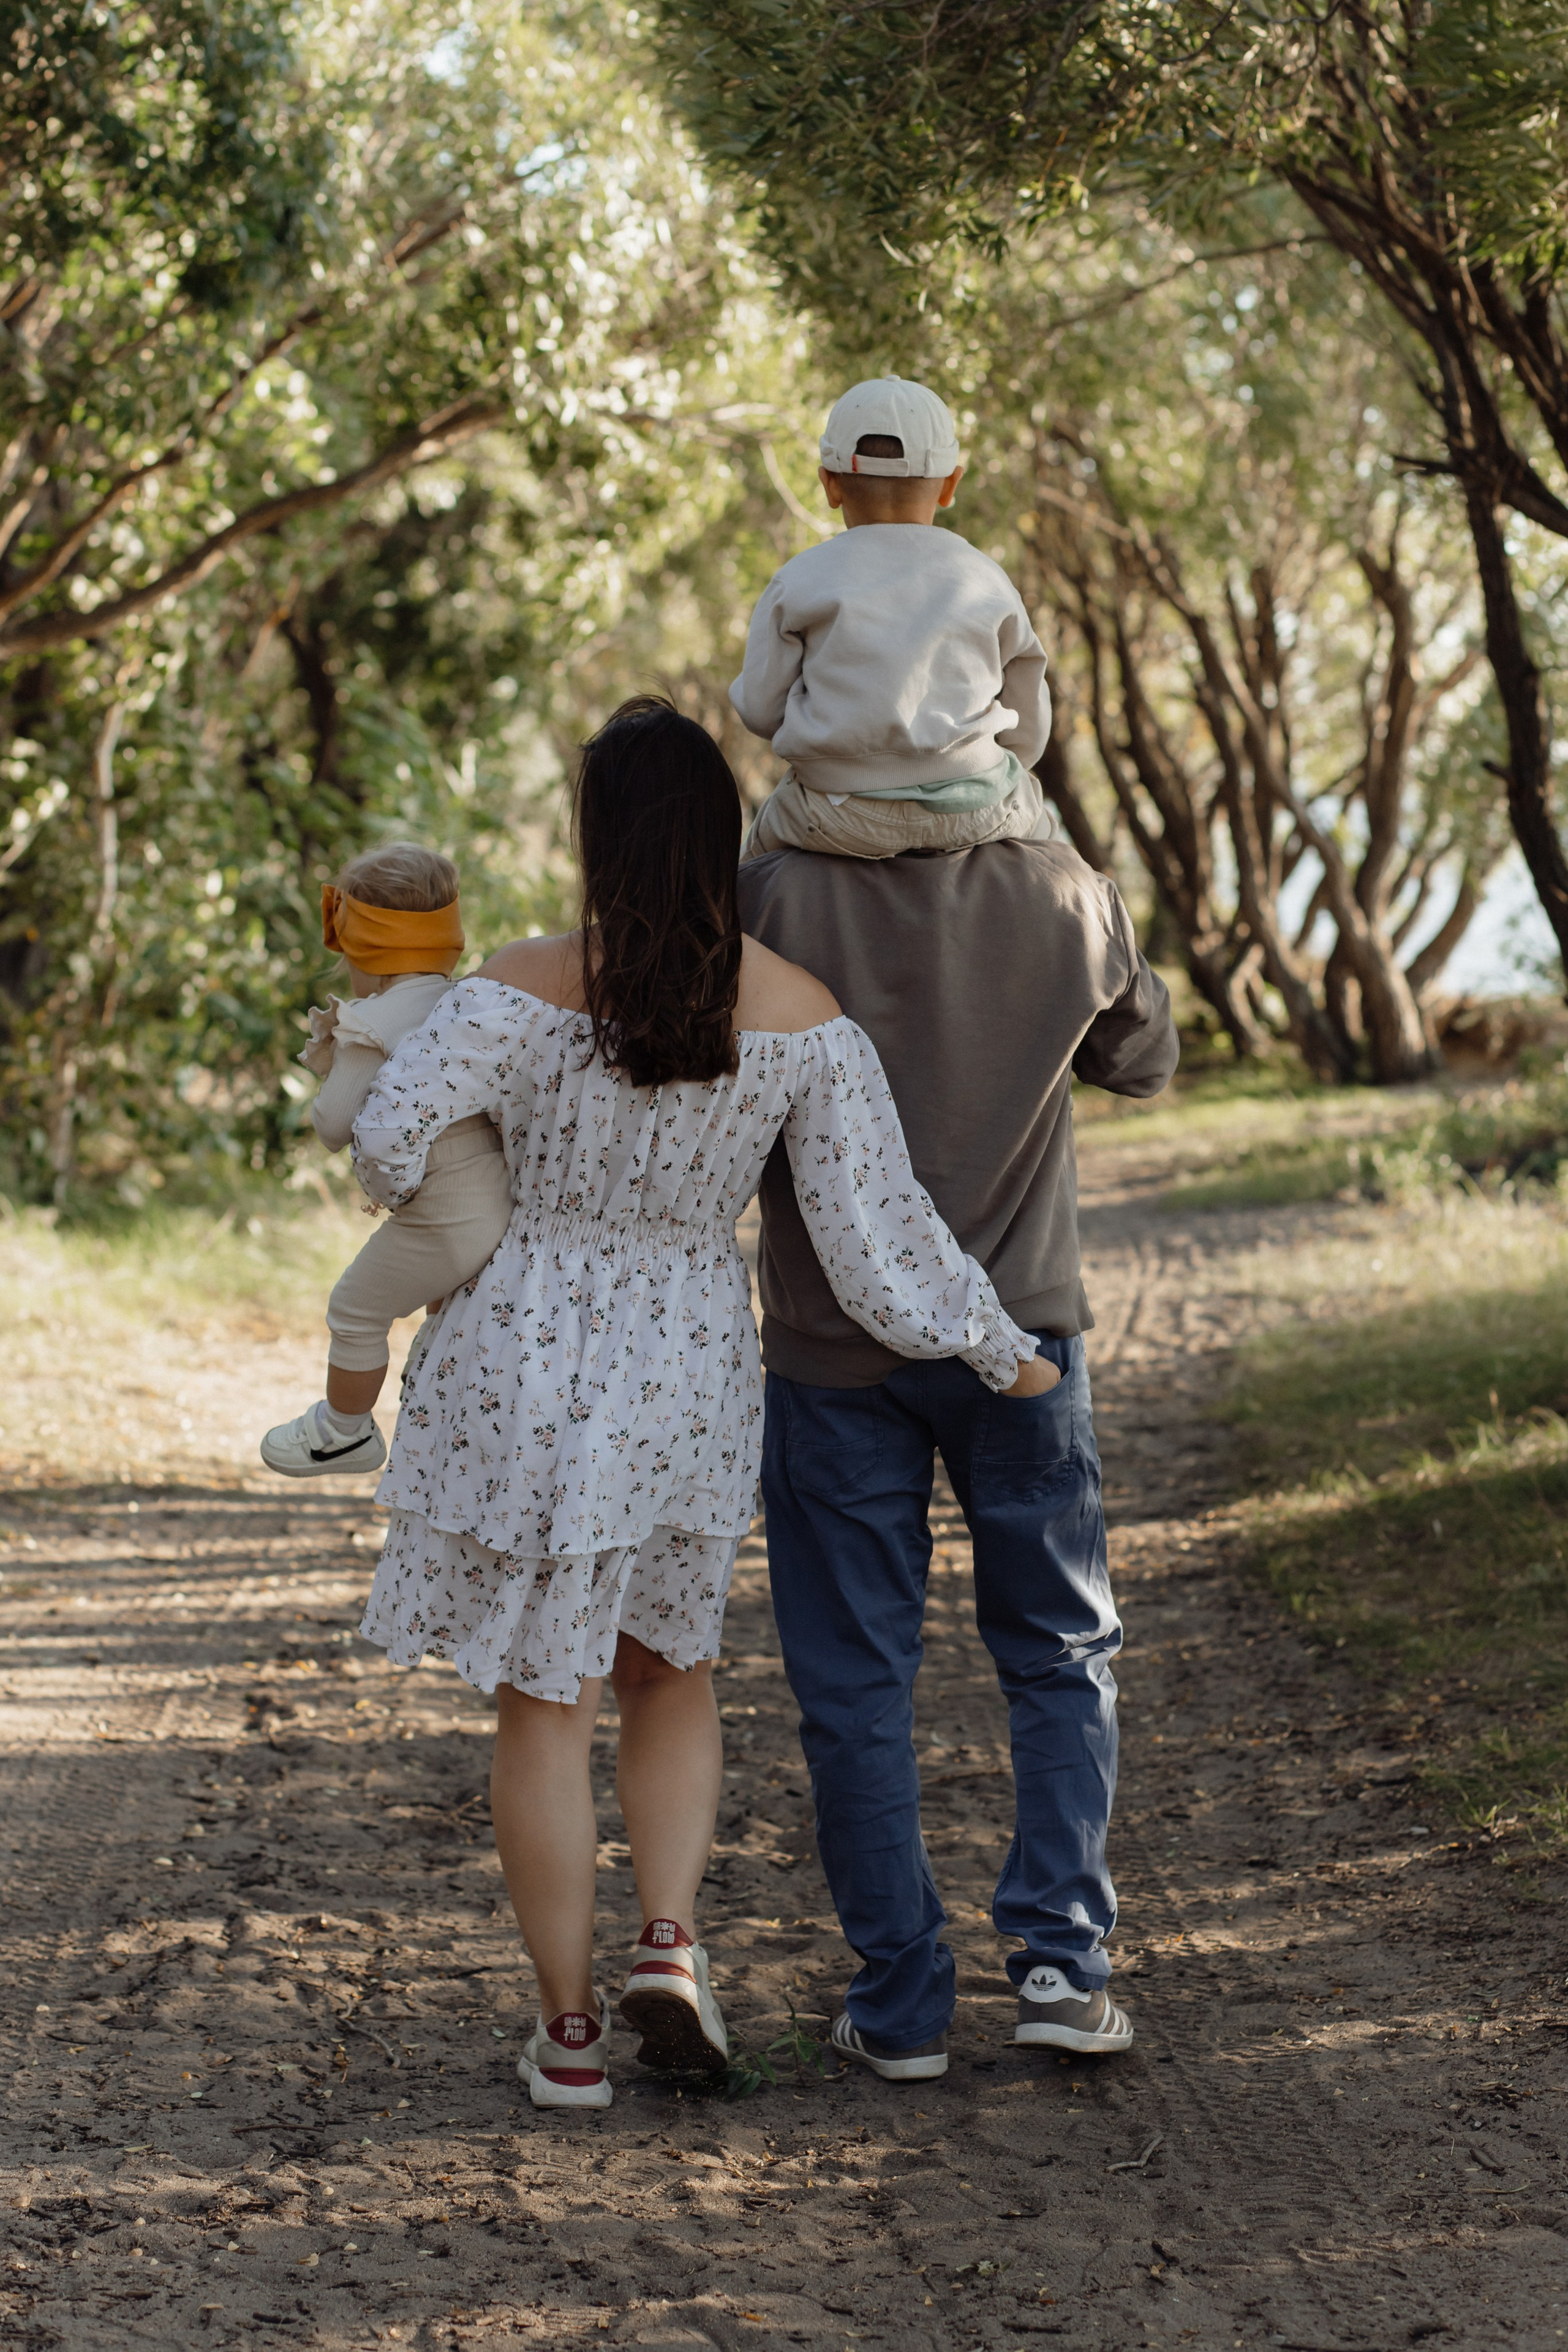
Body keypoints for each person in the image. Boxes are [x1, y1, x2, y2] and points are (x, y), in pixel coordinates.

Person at [347, 698, 1052, 2111]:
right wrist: (995, 1345)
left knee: (541, 1701)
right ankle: (669, 1944)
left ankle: (565, 2038)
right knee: (668, 1671)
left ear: (595, 839)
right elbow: (872, 1241)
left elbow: (385, 1144)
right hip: (684, 1358)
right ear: (719, 839)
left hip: (523, 1355)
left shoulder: (514, 987)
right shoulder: (799, 1015)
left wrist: (449, 1130)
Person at [734, 386, 1182, 2084]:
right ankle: (1065, 1971)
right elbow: (1141, 1061)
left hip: (833, 1348)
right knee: (1057, 1652)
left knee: (856, 1683)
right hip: (1026, 1328)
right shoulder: (1067, 890)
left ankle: (901, 2006)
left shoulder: (768, 891)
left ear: (828, 488)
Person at [259, 845, 513, 1479]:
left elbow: (332, 1125)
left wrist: (334, 1064)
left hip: (445, 1216)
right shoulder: (469, 1002)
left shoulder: (373, 1023)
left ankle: (343, 1432)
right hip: (505, 1203)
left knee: (355, 1309)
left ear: (360, 949)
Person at [731, 375, 1055, 863]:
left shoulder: (799, 580)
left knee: (750, 871)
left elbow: (759, 709)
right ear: (950, 485)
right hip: (978, 808)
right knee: (1064, 866)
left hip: (838, 812)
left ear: (830, 484)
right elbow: (1030, 719)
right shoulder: (986, 578)